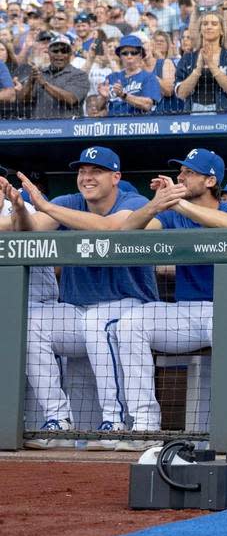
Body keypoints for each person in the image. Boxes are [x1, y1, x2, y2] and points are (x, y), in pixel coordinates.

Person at [2, 147, 158, 450]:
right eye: (83, 171)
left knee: (98, 322)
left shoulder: (133, 201)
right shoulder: (67, 203)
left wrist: (45, 206)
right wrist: (22, 208)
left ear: (116, 177)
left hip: (127, 304)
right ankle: (58, 420)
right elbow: (30, 232)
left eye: (96, 171)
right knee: (31, 322)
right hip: (77, 309)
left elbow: (112, 227)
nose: (87, 177)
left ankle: (114, 422)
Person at [116, 148, 227, 449]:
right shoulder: (171, 214)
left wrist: (178, 205)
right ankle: (145, 426)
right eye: (180, 172)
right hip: (187, 311)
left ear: (210, 180)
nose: (180, 176)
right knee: (129, 324)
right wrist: (157, 204)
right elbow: (127, 229)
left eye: (189, 172)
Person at [174, 11, 227, 112]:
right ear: (200, 29)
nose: (208, 27)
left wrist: (211, 64)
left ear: (222, 31)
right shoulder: (188, 58)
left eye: (214, 24)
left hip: (226, 115)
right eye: (205, 24)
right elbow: (181, 94)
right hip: (194, 114)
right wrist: (198, 69)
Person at [15, 33, 88, 118]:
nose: (59, 54)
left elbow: (71, 99)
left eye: (64, 51)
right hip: (41, 128)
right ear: (48, 52)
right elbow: (22, 101)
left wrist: (44, 84)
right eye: (55, 51)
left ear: (70, 54)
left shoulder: (80, 75)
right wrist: (30, 82)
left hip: (68, 128)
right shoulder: (40, 74)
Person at [101, 35, 160, 116]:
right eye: (125, 53)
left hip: (138, 125)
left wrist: (123, 95)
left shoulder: (149, 77)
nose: (129, 56)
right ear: (120, 56)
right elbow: (98, 107)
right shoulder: (112, 77)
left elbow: (147, 105)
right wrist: (102, 98)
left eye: (133, 53)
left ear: (140, 55)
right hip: (115, 125)